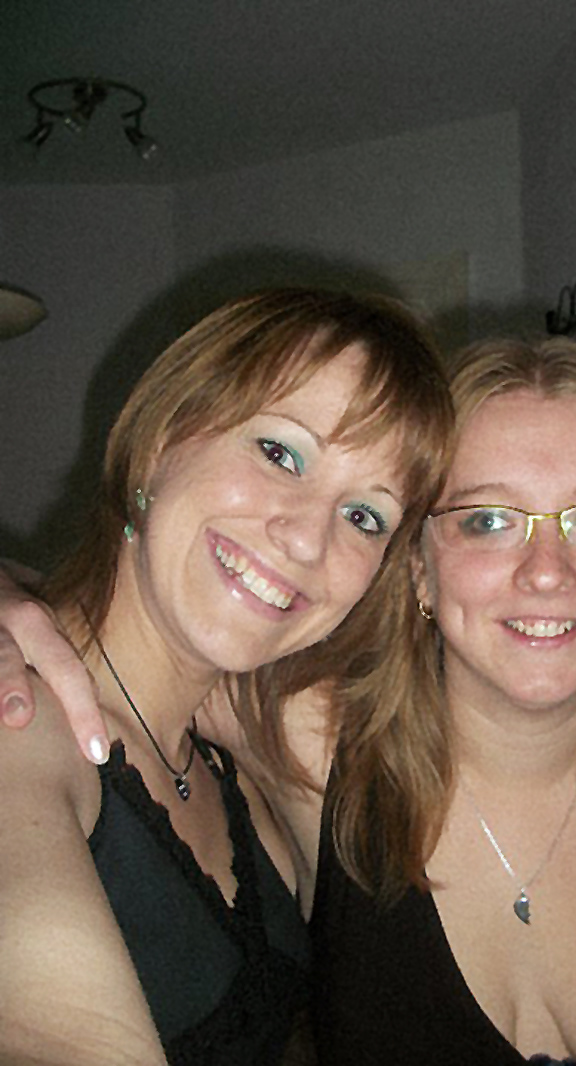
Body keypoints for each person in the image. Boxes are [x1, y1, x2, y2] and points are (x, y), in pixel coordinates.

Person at [2, 337, 576, 1064]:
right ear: (416, 567)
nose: (546, 571)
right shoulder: (315, 739)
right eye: (487, 520)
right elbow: (131, 630)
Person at [0, 286, 452, 1066]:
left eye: (364, 516)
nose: (308, 539)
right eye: (281, 453)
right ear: (161, 439)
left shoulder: (236, 759)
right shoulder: (19, 722)